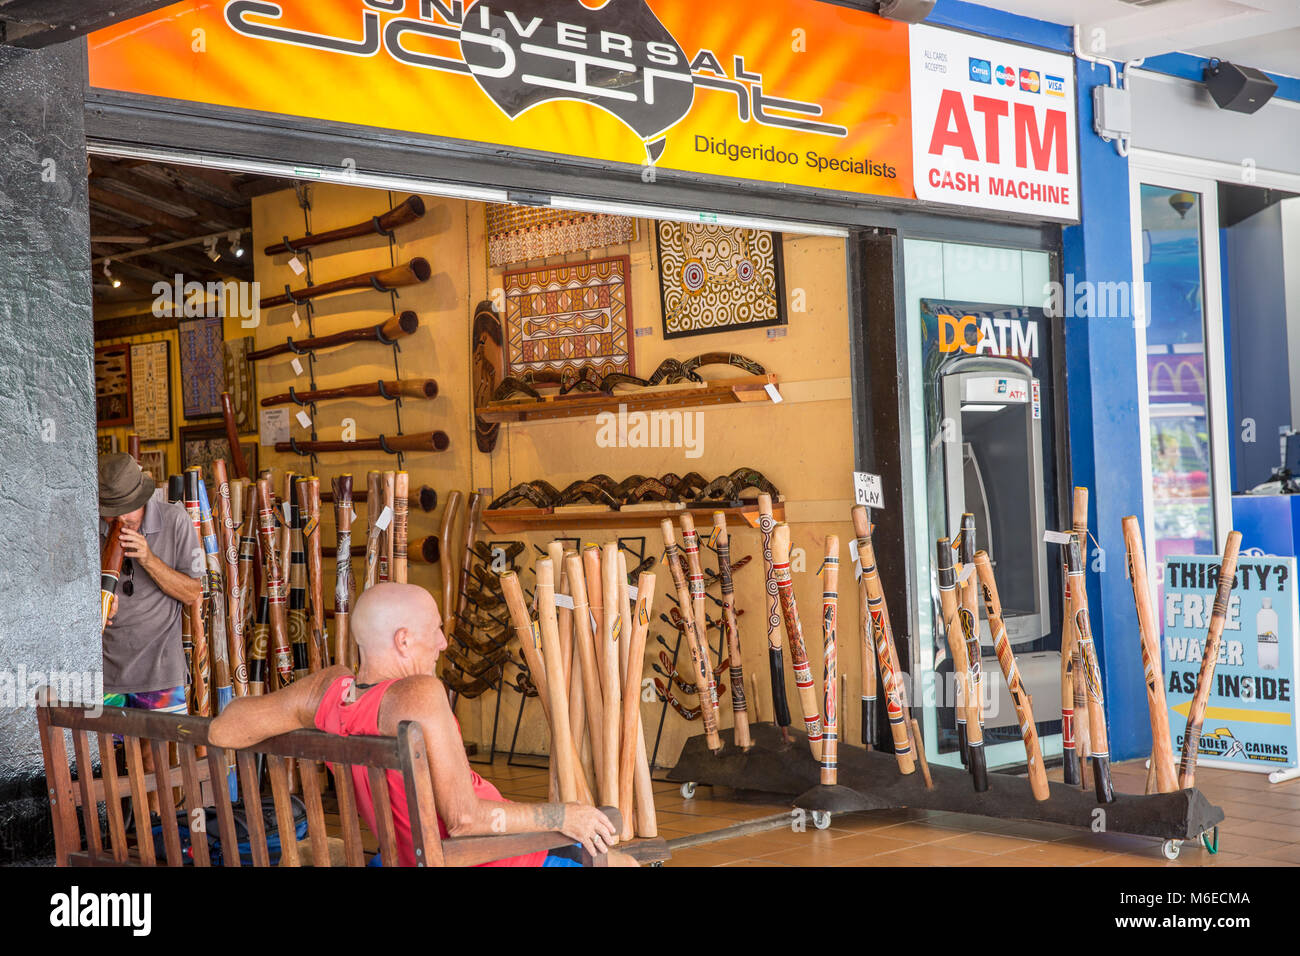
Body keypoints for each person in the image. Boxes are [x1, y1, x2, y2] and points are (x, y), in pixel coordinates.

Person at [210, 583, 636, 867]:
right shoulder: (420, 694)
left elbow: (223, 729)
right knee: (621, 860)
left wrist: (303, 707)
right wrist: (563, 814)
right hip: (479, 857)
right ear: (403, 640)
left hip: (400, 855)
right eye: (435, 631)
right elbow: (465, 820)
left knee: (592, 835)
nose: (443, 643)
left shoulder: (327, 690)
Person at [99, 453, 202, 715]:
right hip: (105, 673)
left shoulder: (176, 521)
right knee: (105, 756)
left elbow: (192, 593)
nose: (120, 519)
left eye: (127, 508)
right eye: (112, 513)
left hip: (161, 674)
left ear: (142, 498)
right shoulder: (92, 527)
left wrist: (148, 559)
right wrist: (97, 605)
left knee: (158, 755)